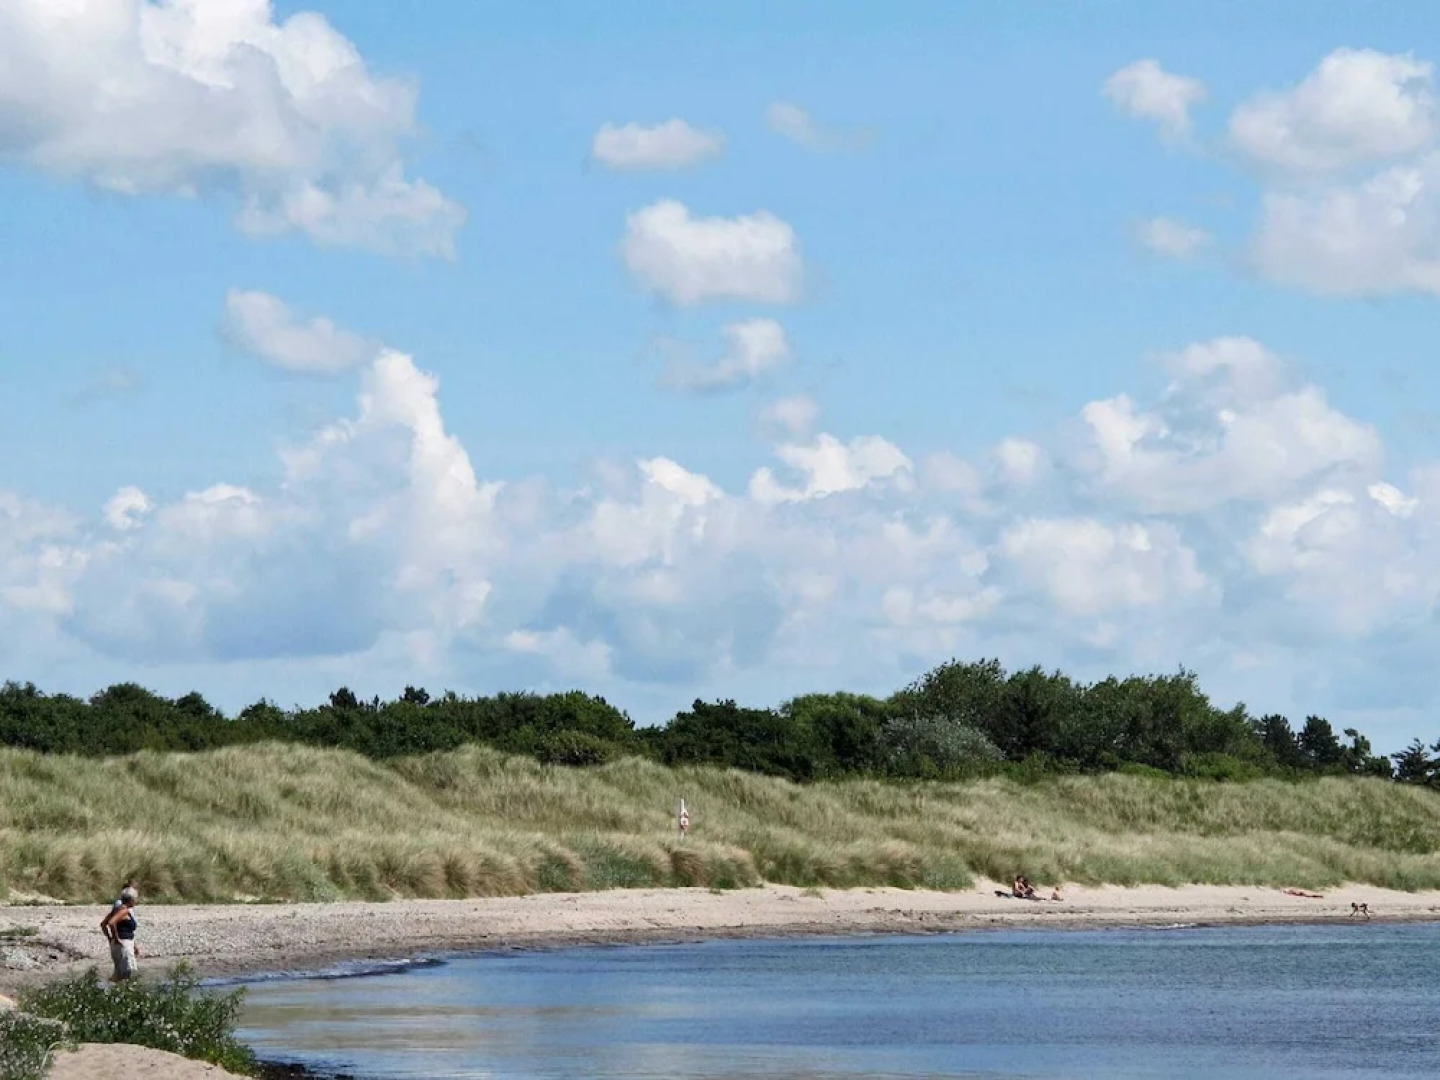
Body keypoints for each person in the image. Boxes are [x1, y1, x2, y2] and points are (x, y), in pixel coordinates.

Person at [100, 886, 140, 981]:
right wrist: (116, 938)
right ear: (131, 900)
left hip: (119, 944)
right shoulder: (124, 911)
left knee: (118, 974)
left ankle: (111, 991)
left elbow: (103, 924)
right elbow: (111, 923)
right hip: (124, 944)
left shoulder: (116, 910)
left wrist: (111, 939)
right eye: (135, 899)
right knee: (127, 974)